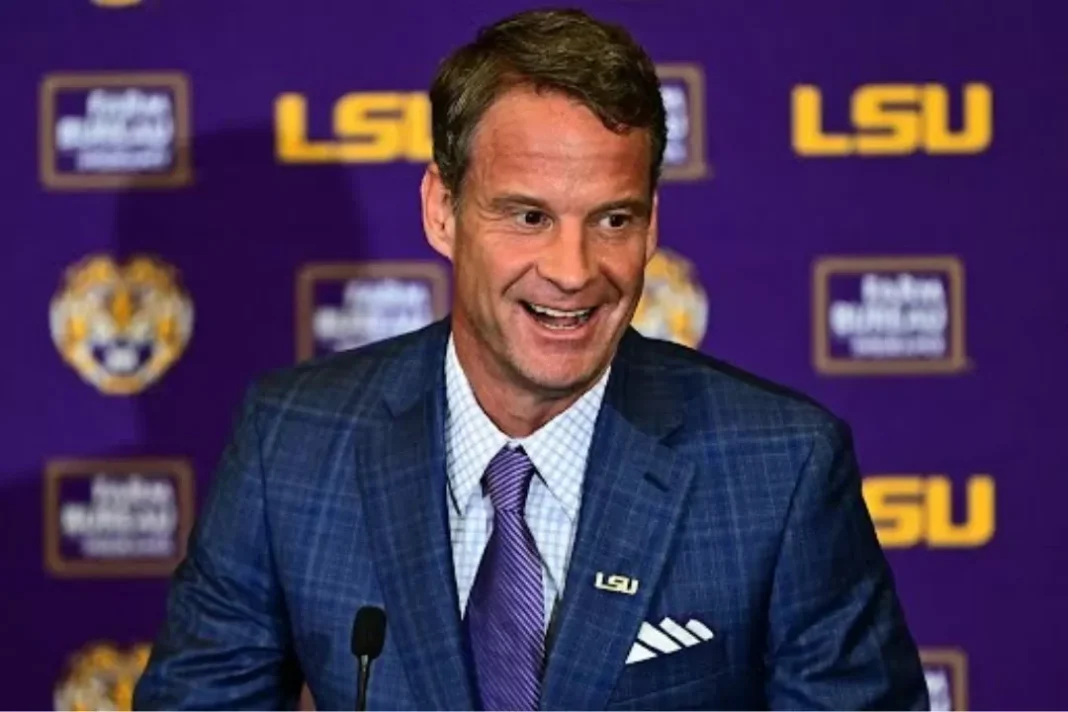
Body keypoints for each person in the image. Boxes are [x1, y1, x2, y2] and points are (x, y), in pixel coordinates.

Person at [133, 8, 929, 710]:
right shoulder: (291, 444)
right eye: (528, 216)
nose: (574, 271)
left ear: (653, 225)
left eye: (613, 220)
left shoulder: (779, 469)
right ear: (442, 211)